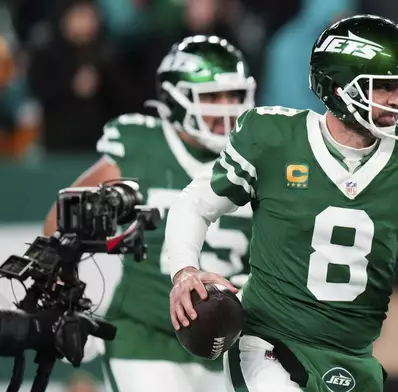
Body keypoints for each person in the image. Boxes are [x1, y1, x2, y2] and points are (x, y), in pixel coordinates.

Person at [166, 14, 398, 392]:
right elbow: (194, 204)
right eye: (384, 86)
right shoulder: (272, 137)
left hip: (354, 357)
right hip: (269, 343)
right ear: (338, 88)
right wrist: (184, 270)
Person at [42, 35, 256, 391]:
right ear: (176, 98)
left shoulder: (257, 151)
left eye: (233, 96)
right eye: (212, 96)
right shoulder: (142, 145)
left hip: (230, 339)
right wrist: (63, 291)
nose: (226, 108)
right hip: (145, 334)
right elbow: (64, 218)